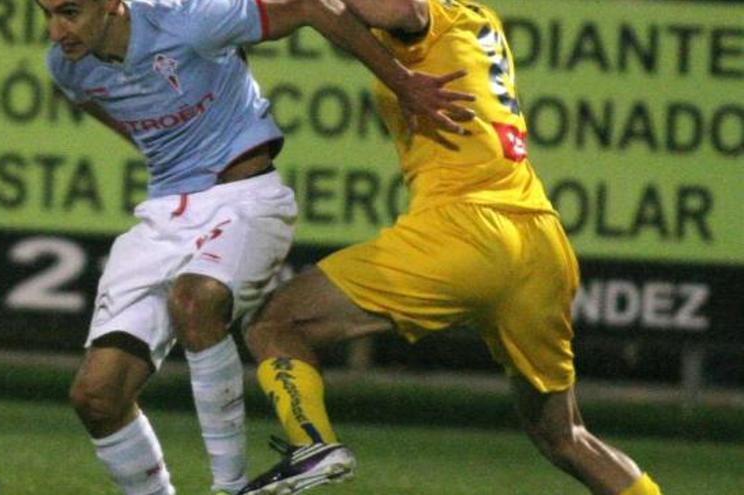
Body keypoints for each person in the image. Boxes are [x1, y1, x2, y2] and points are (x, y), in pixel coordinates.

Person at [36, 0, 474, 493]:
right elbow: (100, 103)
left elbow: (313, 6)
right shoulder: (67, 66)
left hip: (246, 202)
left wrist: (402, 81)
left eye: (69, 12)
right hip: (163, 217)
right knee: (96, 397)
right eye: (46, 14)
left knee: (194, 299)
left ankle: (230, 485)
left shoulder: (189, 21)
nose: (56, 31)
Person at [240, 1, 665, 495]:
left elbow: (399, 11)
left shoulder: (431, 15)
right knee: (566, 436)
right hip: (540, 243)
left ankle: (313, 446)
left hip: (464, 232)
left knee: (277, 322)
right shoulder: (481, 17)